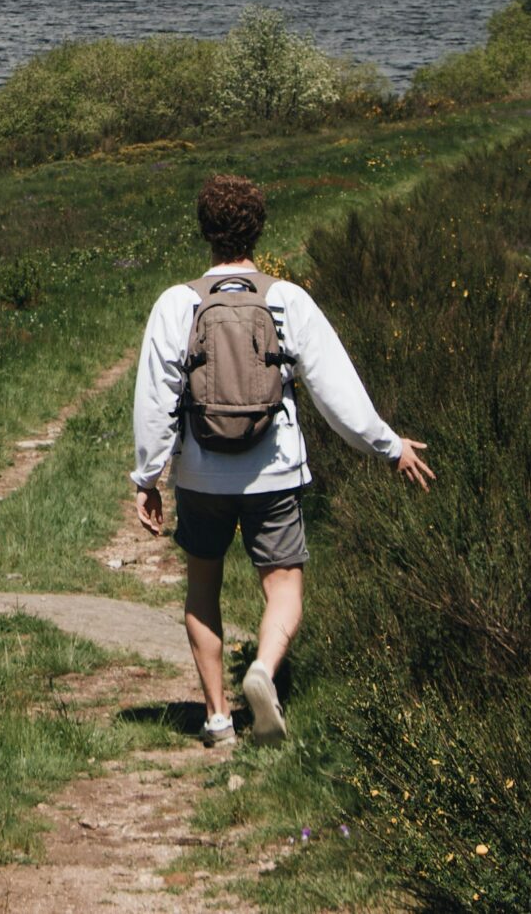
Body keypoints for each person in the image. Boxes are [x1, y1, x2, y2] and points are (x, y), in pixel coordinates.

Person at [130, 173, 434, 746]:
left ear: (205, 232)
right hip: (275, 472)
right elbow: (335, 390)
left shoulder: (177, 303)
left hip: (200, 474)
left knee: (202, 587)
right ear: (258, 229)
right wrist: (388, 446)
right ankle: (264, 670)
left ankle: (218, 718)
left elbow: (155, 398)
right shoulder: (286, 300)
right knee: (284, 586)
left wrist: (149, 476)